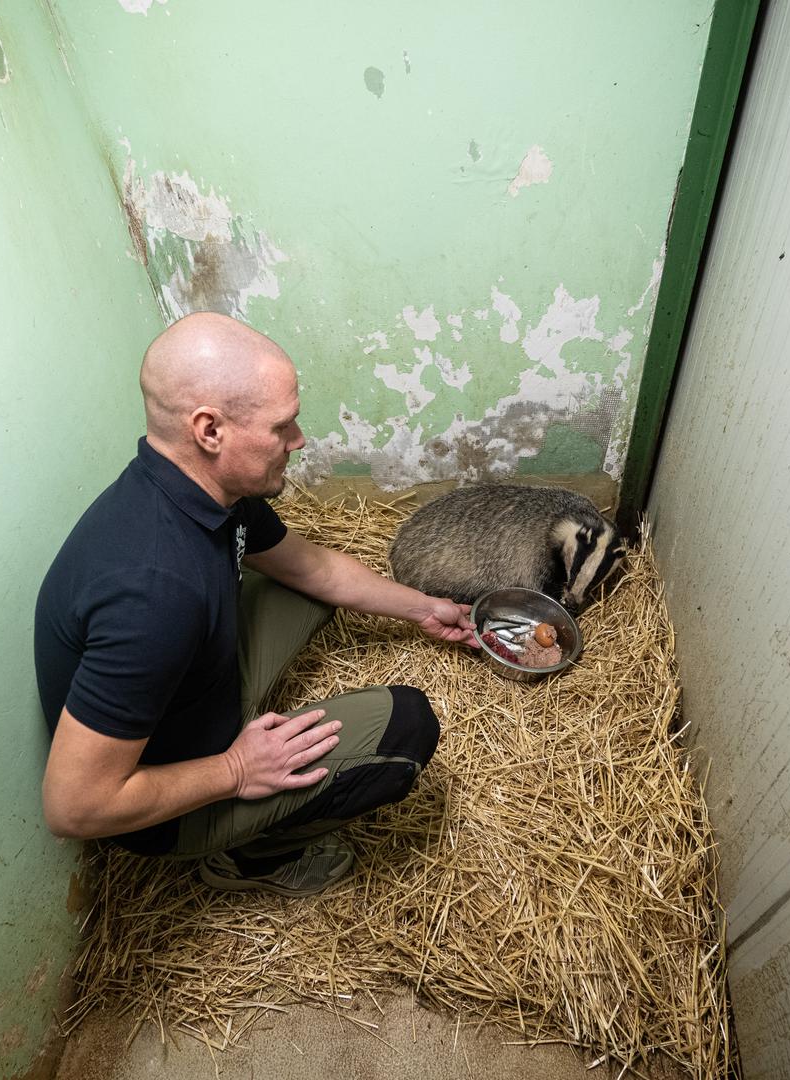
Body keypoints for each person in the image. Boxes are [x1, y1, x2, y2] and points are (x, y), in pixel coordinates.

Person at [33, 312, 478, 897]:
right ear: (209, 430)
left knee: (304, 589)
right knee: (407, 727)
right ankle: (253, 860)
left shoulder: (198, 487)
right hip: (161, 802)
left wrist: (424, 608)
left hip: (194, 696)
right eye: (282, 427)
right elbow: (74, 809)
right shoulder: (154, 594)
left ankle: (237, 739)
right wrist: (237, 770)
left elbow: (310, 567)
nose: (298, 441)